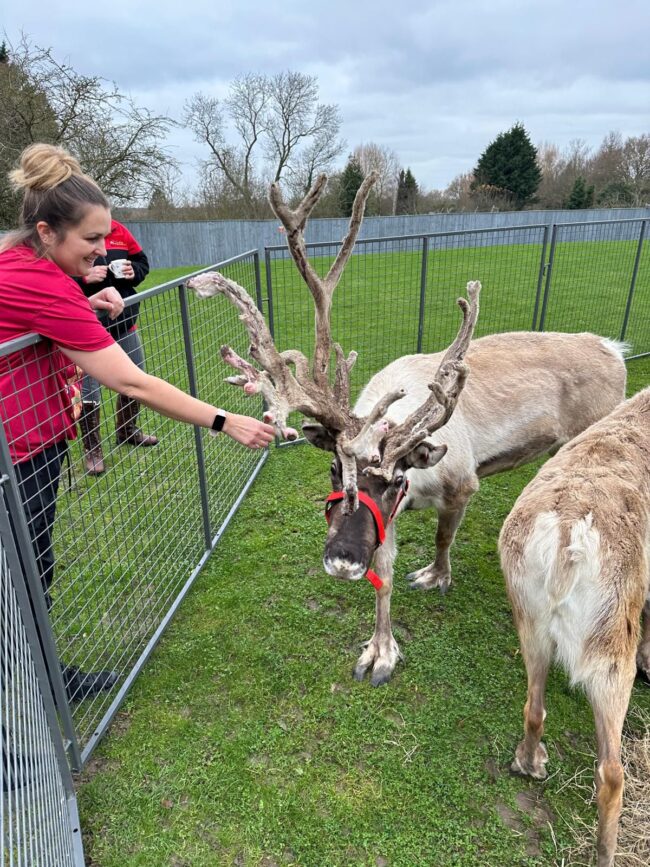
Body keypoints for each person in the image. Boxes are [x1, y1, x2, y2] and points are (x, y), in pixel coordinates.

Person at [0, 143, 275, 701]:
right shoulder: (40, 283)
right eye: (92, 240)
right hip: (16, 451)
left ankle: (46, 680)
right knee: (18, 586)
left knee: (36, 569)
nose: (103, 251)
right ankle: (24, 715)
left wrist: (85, 299)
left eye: (106, 238)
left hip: (35, 442)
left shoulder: (24, 263)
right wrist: (227, 421)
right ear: (48, 232)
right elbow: (131, 382)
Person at [74, 219, 156, 475]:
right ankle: (92, 449)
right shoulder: (72, 231)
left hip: (125, 322)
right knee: (89, 387)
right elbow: (56, 278)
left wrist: (135, 272)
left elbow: (142, 263)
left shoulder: (120, 230)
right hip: (89, 325)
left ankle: (127, 430)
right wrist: (83, 278)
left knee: (136, 374)